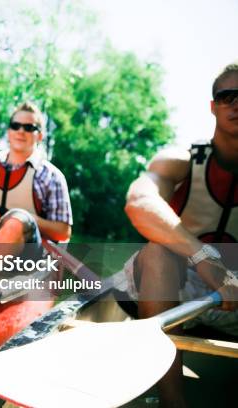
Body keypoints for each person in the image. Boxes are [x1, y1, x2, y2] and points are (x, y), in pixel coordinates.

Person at [123, 63, 238, 408]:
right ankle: (173, 402)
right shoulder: (181, 159)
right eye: (227, 96)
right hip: (177, 290)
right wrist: (205, 259)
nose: (236, 103)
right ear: (213, 106)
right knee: (157, 251)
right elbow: (138, 201)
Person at [0, 102, 72, 291]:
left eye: (29, 127)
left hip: (28, 254)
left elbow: (63, 231)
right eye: (16, 126)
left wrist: (28, 219)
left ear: (40, 135)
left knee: (16, 221)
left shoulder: (51, 176)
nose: (21, 131)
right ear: (8, 131)